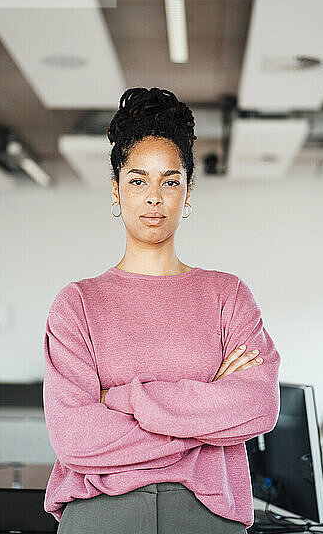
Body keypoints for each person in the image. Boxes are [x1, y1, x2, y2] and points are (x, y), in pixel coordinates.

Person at [43, 87, 281, 533]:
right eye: (138, 180)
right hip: (100, 513)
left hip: (207, 514)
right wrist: (205, 416)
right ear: (116, 191)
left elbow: (259, 405)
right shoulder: (76, 304)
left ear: (187, 194)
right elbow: (74, 437)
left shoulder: (227, 294)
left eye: (170, 180)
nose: (154, 196)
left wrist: (121, 400)